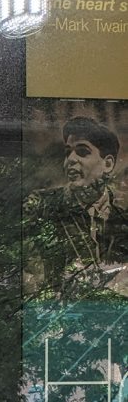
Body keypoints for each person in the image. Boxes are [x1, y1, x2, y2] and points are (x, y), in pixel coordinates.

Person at [24, 115, 128, 299]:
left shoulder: (122, 220)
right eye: (68, 152)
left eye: (82, 152)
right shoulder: (41, 205)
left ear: (108, 164)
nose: (70, 160)